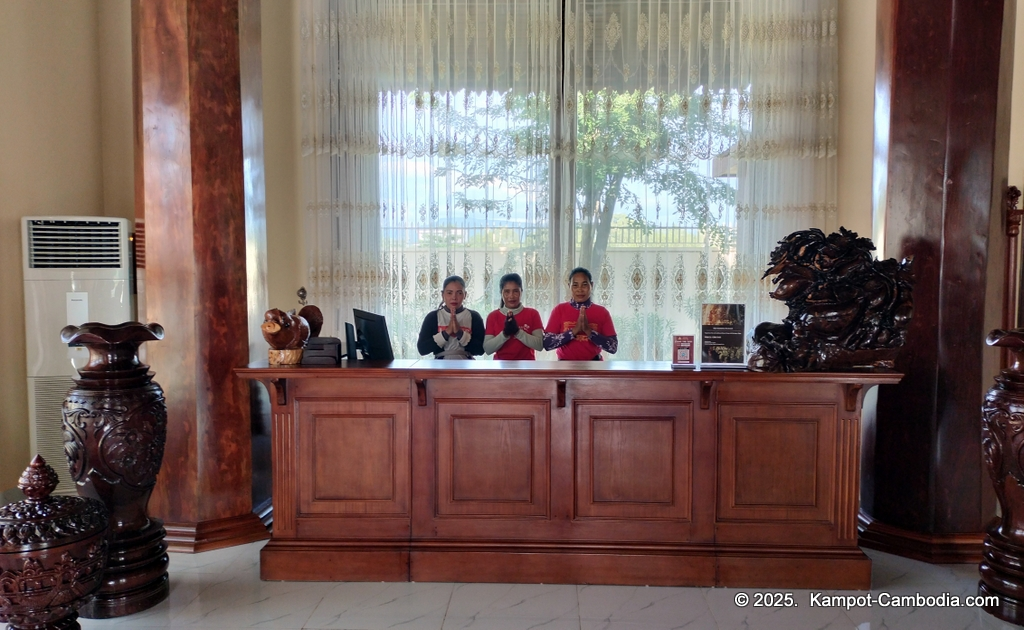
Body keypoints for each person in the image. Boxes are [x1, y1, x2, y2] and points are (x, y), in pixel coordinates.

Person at [544, 267, 618, 360]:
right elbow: (547, 344)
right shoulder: (559, 310)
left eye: (584, 285)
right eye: (575, 285)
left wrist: (589, 331)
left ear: (591, 285)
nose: (580, 289)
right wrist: (574, 331)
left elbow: (613, 347)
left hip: (594, 365)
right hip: (565, 365)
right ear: (569, 286)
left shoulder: (602, 312)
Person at [417, 275, 485, 359]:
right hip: (440, 365)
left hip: (466, 364)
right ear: (443, 295)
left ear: (465, 295)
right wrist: (446, 332)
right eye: (449, 293)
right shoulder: (433, 317)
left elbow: (480, 350)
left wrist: (459, 333)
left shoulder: (474, 316)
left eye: (459, 293)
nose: (454, 297)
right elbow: (422, 349)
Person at [483, 273, 545, 360]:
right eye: (507, 292)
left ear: (521, 292)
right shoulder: (493, 316)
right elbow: (488, 349)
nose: (511, 296)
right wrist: (505, 333)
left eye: (515, 291)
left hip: (527, 365)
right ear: (501, 293)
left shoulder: (532, 314)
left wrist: (517, 332)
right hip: (500, 365)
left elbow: (539, 345)